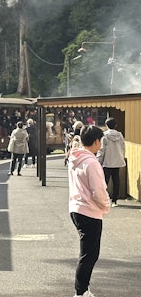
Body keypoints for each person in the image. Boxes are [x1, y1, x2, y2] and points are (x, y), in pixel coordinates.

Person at [67, 125, 110, 297]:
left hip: (76, 208)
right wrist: (106, 205)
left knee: (88, 253)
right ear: (96, 141)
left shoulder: (75, 157)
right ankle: (81, 291)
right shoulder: (91, 162)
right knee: (90, 254)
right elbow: (98, 191)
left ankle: (83, 290)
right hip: (89, 210)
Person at [96, 117, 126, 207]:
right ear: (115, 125)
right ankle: (115, 200)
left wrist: (98, 161)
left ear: (106, 125)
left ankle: (103, 200)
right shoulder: (120, 135)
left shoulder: (104, 136)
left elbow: (102, 150)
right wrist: (122, 157)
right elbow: (123, 147)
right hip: (117, 161)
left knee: (105, 181)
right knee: (116, 181)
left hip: (107, 161)